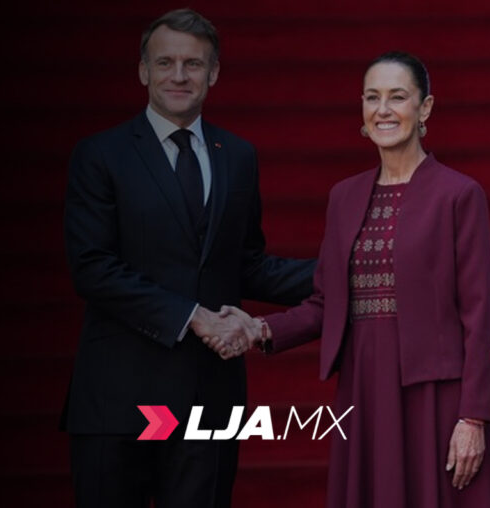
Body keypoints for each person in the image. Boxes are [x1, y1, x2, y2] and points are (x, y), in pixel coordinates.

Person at [214, 52, 490, 507]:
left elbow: (478, 316)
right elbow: (326, 302)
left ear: (425, 108)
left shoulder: (459, 194)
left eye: (398, 97)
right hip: (365, 387)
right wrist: (260, 329)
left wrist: (473, 417)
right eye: (373, 97)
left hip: (435, 395)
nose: (383, 109)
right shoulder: (344, 196)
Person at [60, 8, 315, 508]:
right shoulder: (100, 155)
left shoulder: (237, 155)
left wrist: (354, 272)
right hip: (119, 399)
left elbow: (245, 264)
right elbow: (92, 267)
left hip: (208, 400)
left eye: (193, 64)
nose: (179, 76)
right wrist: (192, 316)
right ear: (143, 71)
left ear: (213, 72)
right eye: (166, 63)